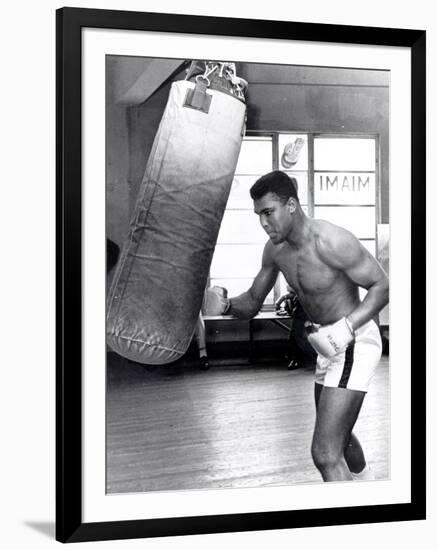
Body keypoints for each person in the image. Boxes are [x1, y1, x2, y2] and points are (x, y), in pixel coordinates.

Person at [204, 171, 389, 482]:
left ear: (291, 205)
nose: (263, 223)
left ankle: (355, 524)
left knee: (325, 453)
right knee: (338, 437)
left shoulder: (331, 241)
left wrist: (347, 326)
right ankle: (366, 489)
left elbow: (382, 285)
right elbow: (251, 301)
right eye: (258, 215)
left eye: (268, 212)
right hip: (325, 345)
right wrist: (224, 305)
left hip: (354, 339)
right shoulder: (275, 250)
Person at [275, 286, 317, 370]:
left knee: (298, 337)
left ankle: (296, 359)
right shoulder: (296, 294)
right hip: (300, 316)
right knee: (294, 337)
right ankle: (294, 358)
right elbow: (288, 291)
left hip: (305, 315)